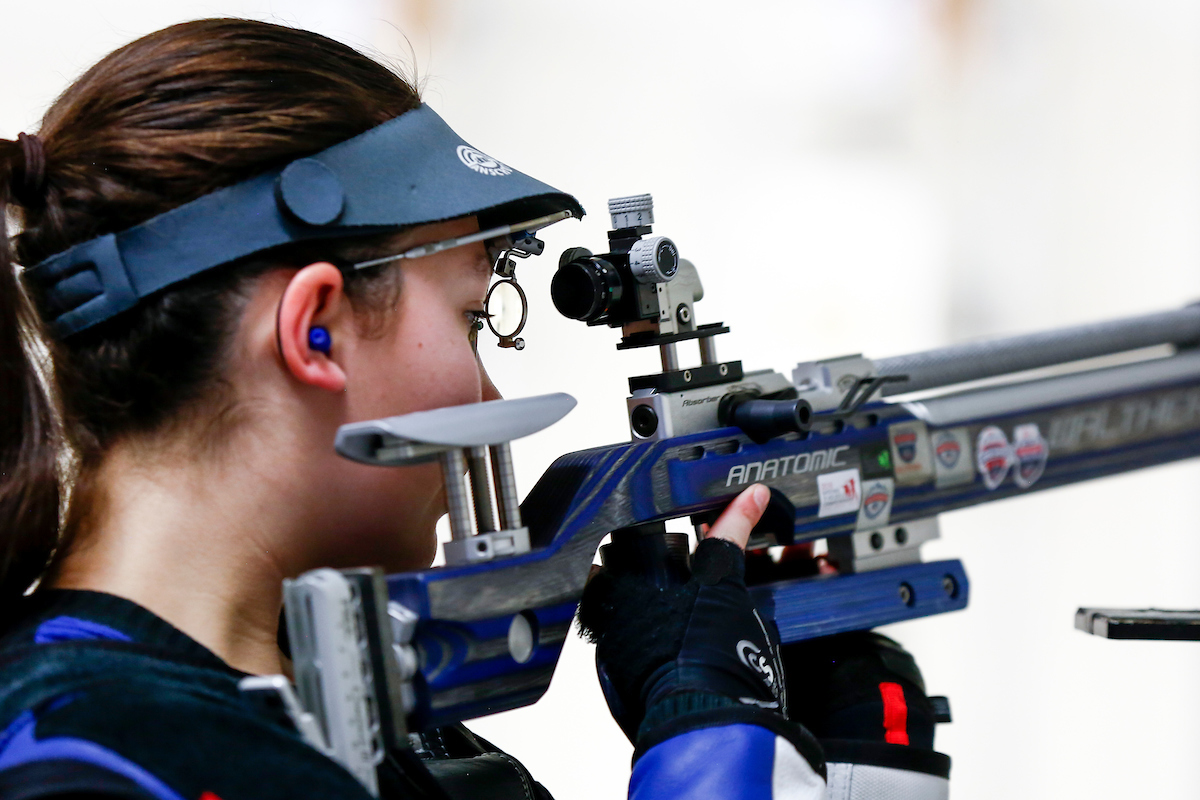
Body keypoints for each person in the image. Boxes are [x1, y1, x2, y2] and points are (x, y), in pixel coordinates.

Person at [0, 18, 948, 800]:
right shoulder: (84, 760)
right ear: (315, 328)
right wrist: (711, 743)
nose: (487, 394)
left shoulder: (398, 744)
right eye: (472, 317)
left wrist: (852, 757)